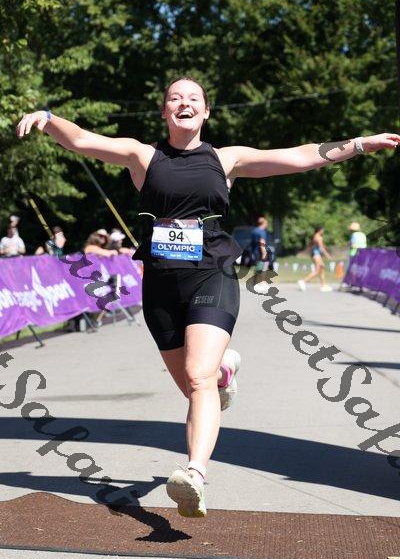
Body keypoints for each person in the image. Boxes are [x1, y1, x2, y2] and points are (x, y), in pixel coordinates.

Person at [16, 77, 400, 517]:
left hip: (212, 276)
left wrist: (360, 144)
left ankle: (194, 474)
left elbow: (298, 156)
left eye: (193, 98)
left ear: (206, 111)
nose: (184, 103)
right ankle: (224, 371)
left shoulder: (225, 159)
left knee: (197, 379)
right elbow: (83, 140)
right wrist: (48, 118)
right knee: (195, 386)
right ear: (164, 111)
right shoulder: (143, 156)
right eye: (175, 98)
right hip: (160, 286)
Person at [298, 226, 333, 292]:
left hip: (316, 255)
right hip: (316, 255)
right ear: (319, 230)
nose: (323, 231)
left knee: (321, 269)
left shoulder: (316, 236)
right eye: (322, 230)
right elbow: (321, 248)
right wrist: (327, 255)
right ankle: (303, 281)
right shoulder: (318, 237)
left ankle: (323, 285)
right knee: (317, 271)